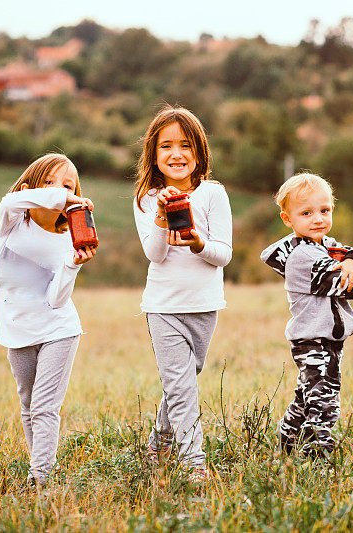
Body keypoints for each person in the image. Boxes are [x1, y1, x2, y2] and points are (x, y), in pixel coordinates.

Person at [133, 106, 232, 480]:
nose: (177, 154)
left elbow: (223, 254)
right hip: (163, 306)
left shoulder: (213, 195)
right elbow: (154, 254)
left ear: (199, 152)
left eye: (185, 145)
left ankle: (158, 445)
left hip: (206, 306)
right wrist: (161, 219)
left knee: (186, 379)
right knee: (181, 386)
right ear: (154, 155)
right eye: (166, 146)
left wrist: (197, 242)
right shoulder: (146, 199)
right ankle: (194, 463)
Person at [0, 153, 97, 489]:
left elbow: (56, 300)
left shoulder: (67, 240)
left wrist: (73, 265)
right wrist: (61, 194)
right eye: (50, 183)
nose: (60, 191)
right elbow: (11, 198)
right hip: (17, 331)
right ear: (30, 188)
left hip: (59, 330)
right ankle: (36, 469)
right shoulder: (11, 219)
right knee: (27, 403)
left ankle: (40, 479)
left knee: (44, 407)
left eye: (69, 186)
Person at [260, 173, 353, 459]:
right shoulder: (302, 257)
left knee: (306, 395)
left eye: (325, 211)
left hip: (328, 338)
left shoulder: (324, 246)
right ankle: (318, 455)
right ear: (288, 219)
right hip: (312, 339)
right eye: (306, 213)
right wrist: (349, 265)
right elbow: (346, 286)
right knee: (324, 399)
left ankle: (287, 440)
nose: (318, 219)